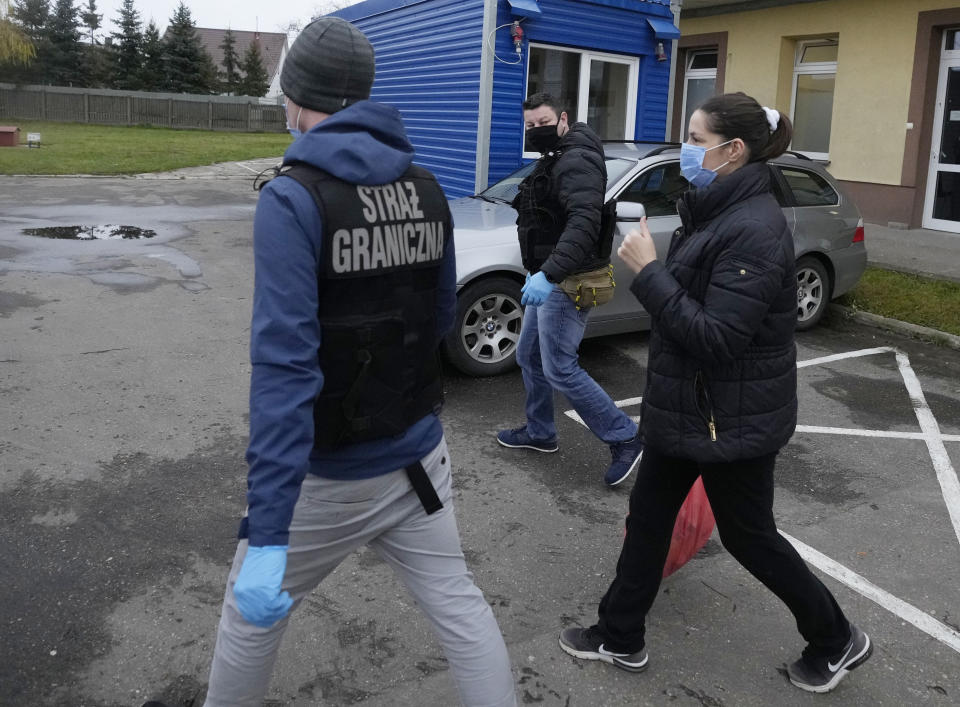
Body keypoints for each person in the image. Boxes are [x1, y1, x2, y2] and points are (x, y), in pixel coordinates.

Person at [199, 18, 516, 707]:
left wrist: (271, 528)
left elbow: (285, 369)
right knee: (461, 610)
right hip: (416, 459)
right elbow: (436, 321)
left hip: (328, 475)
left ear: (297, 95)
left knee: (248, 624)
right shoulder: (428, 187)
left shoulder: (292, 197)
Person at [557, 92, 872, 693]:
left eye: (697, 141)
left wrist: (648, 273)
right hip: (690, 408)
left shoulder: (756, 229)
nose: (686, 151)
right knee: (649, 517)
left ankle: (836, 639)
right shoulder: (715, 208)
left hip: (731, 418)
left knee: (750, 537)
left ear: (733, 151)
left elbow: (717, 337)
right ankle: (619, 634)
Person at [497, 93, 643, 487]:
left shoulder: (577, 159)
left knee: (560, 366)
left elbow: (584, 224)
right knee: (529, 355)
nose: (535, 130)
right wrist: (538, 271)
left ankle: (625, 437)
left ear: (563, 119)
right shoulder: (559, 155)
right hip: (549, 274)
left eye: (542, 121)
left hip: (569, 280)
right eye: (528, 125)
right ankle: (540, 432)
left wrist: (549, 275)